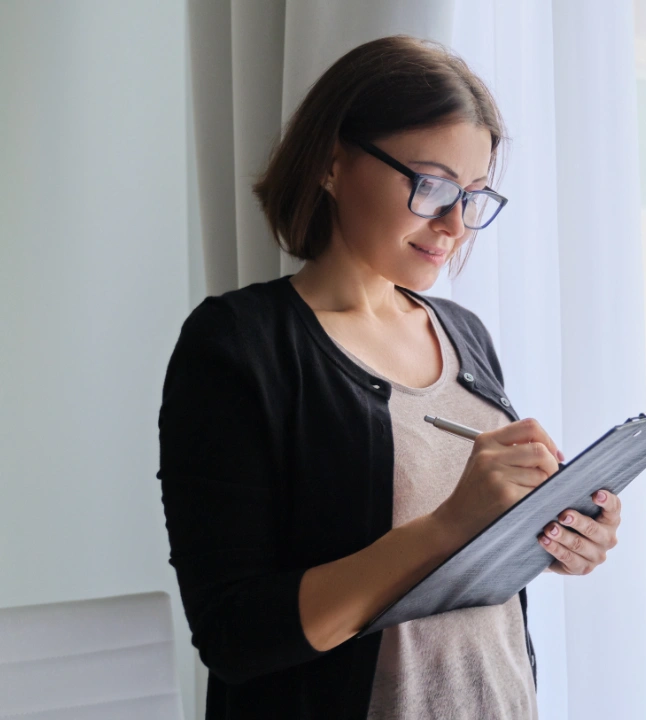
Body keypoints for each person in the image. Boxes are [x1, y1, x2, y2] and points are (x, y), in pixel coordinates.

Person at [157, 34, 622, 719]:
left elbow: (469, 571)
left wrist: (551, 532)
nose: (453, 224)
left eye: (472, 196)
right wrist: (447, 526)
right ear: (332, 163)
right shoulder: (237, 345)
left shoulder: (464, 335)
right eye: (430, 184)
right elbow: (236, 635)